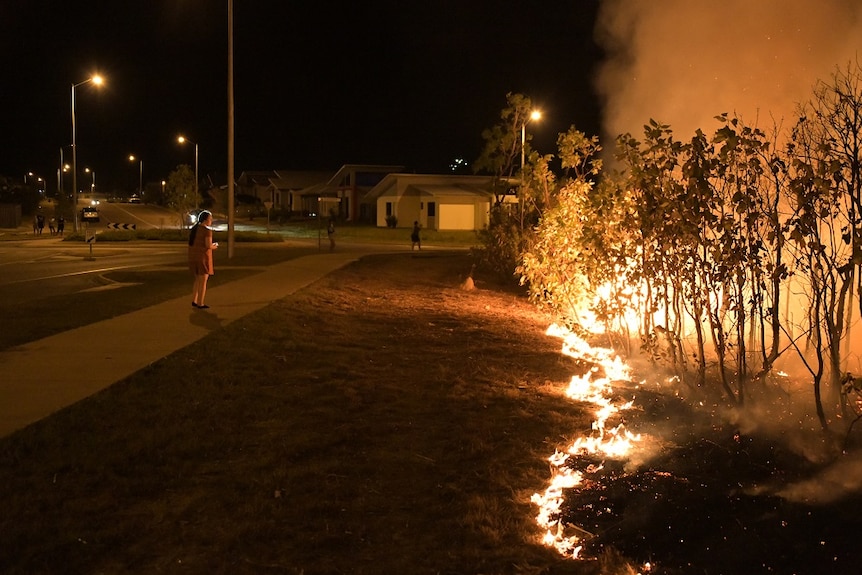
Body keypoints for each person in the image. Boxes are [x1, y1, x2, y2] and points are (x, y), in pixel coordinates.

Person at [188, 210, 219, 309]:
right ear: (206, 220)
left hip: (194, 257)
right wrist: (215, 246)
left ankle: (194, 300)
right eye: (210, 218)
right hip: (203, 258)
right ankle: (200, 303)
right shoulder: (207, 231)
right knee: (203, 281)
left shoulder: (194, 229)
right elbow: (207, 245)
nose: (211, 220)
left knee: (197, 280)